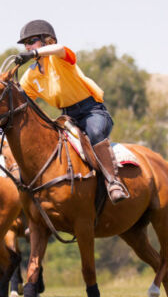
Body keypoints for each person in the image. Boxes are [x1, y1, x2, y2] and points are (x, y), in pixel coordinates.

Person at [13, 19, 129, 203]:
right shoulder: (30, 76)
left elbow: (60, 49)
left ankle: (113, 182)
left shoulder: (59, 58)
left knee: (95, 132)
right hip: (67, 117)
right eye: (25, 44)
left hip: (92, 111)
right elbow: (21, 102)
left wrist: (35, 53)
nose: (27, 47)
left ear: (46, 41)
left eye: (32, 41)